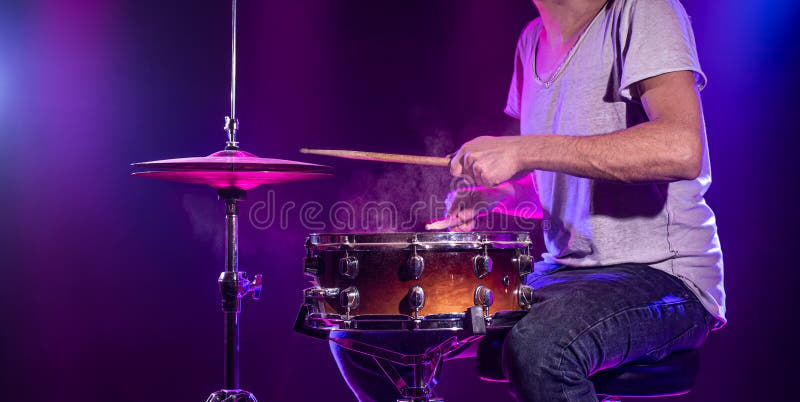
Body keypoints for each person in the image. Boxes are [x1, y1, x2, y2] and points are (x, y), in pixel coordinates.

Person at [330, 0, 725, 400]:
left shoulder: (642, 9)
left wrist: (524, 150)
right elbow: (559, 181)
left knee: (538, 349)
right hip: (565, 273)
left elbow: (681, 150)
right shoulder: (531, 40)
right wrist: (495, 196)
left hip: (665, 277)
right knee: (364, 334)